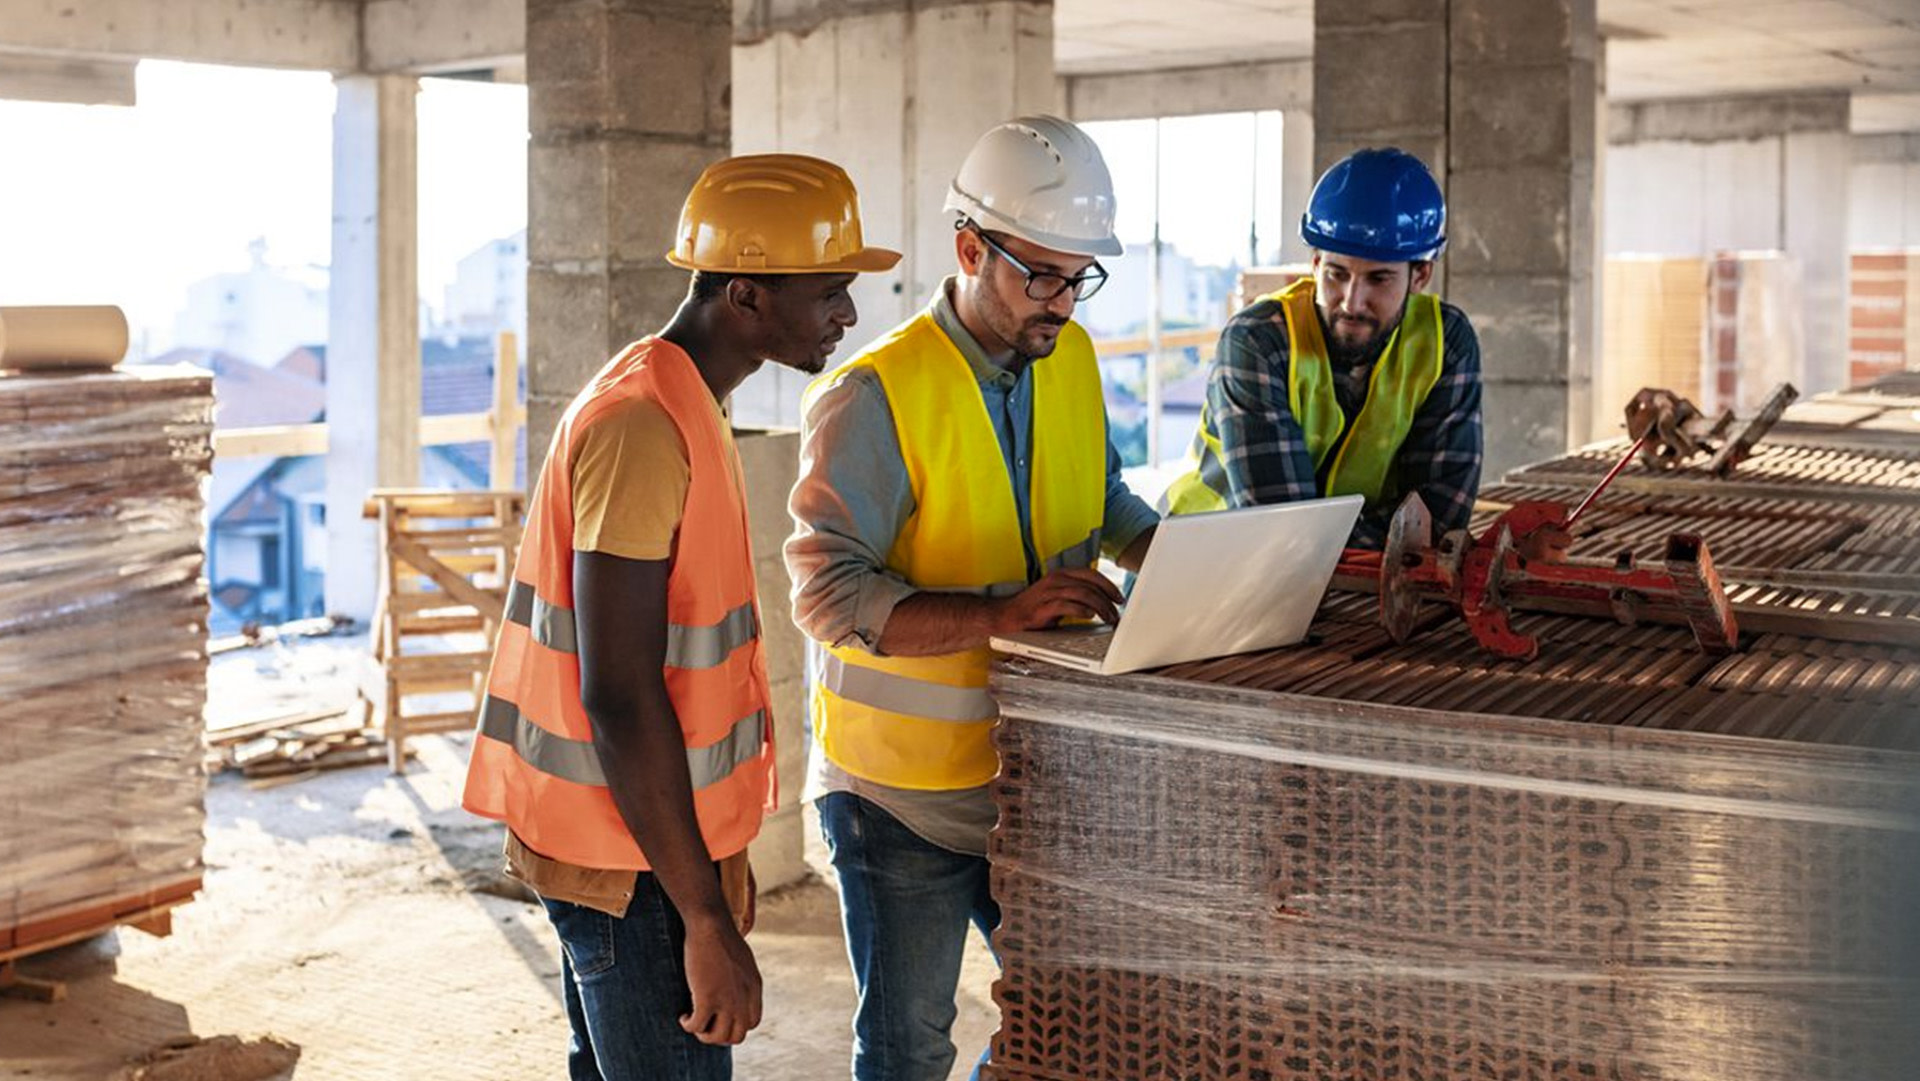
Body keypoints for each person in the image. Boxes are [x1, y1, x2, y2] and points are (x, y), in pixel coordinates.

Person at [463, 154, 899, 1081]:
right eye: (829, 291)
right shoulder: (641, 427)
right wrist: (702, 917)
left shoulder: (682, 401)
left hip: (644, 842)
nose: (848, 315)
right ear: (744, 294)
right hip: (630, 863)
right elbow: (618, 693)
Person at [785, 115, 1159, 1081]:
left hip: (1038, 774)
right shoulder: (875, 396)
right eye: (1043, 274)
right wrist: (1001, 615)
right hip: (899, 797)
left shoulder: (1067, 358)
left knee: (1073, 1022)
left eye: (1081, 276)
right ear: (968, 249)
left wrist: (1173, 554)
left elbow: (1103, 497)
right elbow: (829, 595)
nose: (1065, 303)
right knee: (909, 1049)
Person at [1161, 147, 1483, 548]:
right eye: (1337, 274)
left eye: (1378, 279)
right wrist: (1400, 543)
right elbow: (1284, 528)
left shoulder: (1445, 342)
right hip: (1197, 567)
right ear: (1315, 263)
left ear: (1420, 275)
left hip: (1339, 582)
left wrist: (1411, 543)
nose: (1351, 301)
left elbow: (1436, 520)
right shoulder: (1258, 342)